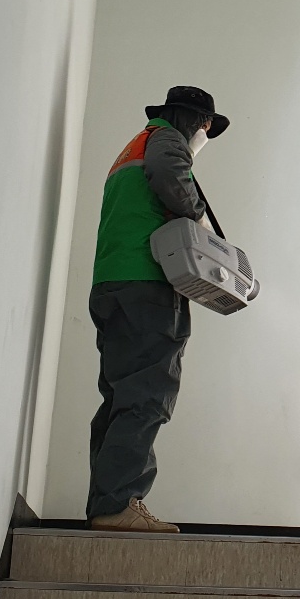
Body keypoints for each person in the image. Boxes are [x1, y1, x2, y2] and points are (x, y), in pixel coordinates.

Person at [85, 86, 229, 533]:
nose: (205, 134)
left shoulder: (135, 145)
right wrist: (200, 220)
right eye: (205, 126)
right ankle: (119, 506)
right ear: (192, 119)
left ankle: (107, 506)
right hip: (148, 283)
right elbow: (170, 177)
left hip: (111, 282)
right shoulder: (166, 140)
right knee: (148, 395)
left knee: (119, 399)